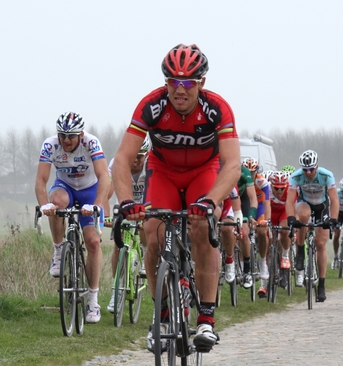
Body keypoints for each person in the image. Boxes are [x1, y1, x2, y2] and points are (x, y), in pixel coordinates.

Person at [112, 44, 239, 352]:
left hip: (203, 172)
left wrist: (211, 201)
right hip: (164, 170)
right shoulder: (151, 106)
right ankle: (164, 317)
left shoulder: (216, 108)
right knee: (153, 233)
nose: (179, 90)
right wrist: (128, 201)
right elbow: (122, 159)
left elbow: (232, 164)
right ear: (166, 82)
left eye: (187, 83)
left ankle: (206, 319)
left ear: (201, 83)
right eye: (173, 82)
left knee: (201, 230)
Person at [35, 112, 110, 323]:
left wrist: (97, 205)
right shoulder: (50, 145)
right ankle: (58, 251)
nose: (66, 141)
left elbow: (104, 176)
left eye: (71, 136)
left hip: (89, 190)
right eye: (62, 136)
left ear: (81, 134)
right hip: (65, 187)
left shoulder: (92, 142)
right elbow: (41, 180)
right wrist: (45, 206)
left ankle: (93, 301)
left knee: (94, 242)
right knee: (55, 202)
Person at [286, 150, 339, 302]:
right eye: (305, 170)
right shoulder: (296, 176)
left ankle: (321, 285)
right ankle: (301, 251)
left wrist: (333, 219)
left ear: (316, 167)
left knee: (320, 244)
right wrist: (290, 217)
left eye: (311, 169)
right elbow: (290, 201)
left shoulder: (326, 175)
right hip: (305, 203)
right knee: (303, 216)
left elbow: (334, 200)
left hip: (322, 207)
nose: (308, 173)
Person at [106, 137, 150, 313]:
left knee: (148, 225)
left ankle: (147, 255)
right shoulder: (116, 163)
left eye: (139, 157)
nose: (135, 160)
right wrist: (105, 214)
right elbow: (106, 189)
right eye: (132, 155)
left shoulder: (152, 164)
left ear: (146, 155)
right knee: (118, 247)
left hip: (146, 205)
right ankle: (116, 291)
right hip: (124, 206)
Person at [242, 157, 271, 298]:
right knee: (241, 231)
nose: (251, 175)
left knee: (262, 230)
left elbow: (266, 203)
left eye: (253, 172)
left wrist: (267, 220)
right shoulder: (241, 178)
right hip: (245, 205)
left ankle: (263, 261)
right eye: (249, 172)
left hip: (259, 207)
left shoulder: (262, 182)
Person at [269, 171, 294, 289]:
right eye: (276, 188)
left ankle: (285, 257)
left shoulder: (290, 190)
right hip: (271, 213)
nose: (279, 192)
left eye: (281, 188)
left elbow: (294, 209)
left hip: (284, 213)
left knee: (285, 230)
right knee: (269, 239)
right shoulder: (266, 190)